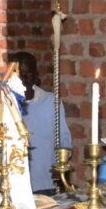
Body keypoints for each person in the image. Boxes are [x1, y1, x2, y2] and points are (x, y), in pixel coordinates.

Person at [8, 51, 70, 193]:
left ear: (35, 73)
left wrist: (60, 163)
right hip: (14, 182)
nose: (23, 78)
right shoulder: (6, 104)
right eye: (17, 73)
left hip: (45, 181)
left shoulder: (50, 101)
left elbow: (64, 138)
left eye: (27, 72)